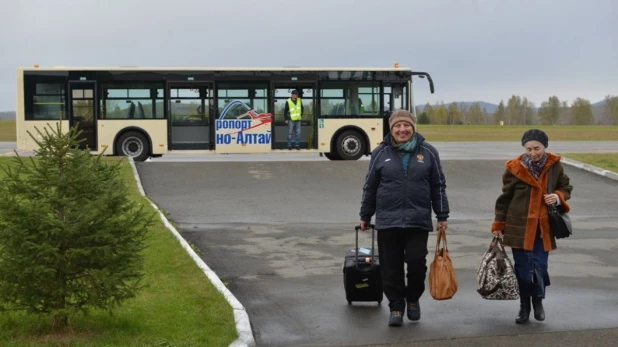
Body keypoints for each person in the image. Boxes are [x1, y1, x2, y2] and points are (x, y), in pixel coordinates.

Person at [359, 109, 450, 327]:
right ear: (391, 129)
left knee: (417, 263)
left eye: (406, 125)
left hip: (417, 220)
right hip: (387, 219)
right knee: (391, 266)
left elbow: (438, 185)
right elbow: (370, 186)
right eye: (397, 126)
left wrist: (442, 214)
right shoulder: (380, 153)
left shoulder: (428, 152)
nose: (402, 129)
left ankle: (413, 299)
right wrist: (365, 214)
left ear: (413, 127)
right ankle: (397, 306)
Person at [490, 129, 573, 324]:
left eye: (537, 148)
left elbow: (566, 187)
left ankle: (538, 300)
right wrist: (499, 223)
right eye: (529, 149)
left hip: (543, 227)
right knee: (522, 268)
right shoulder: (514, 168)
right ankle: (524, 305)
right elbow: (504, 199)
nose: (533, 153)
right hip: (518, 226)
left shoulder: (554, 166)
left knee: (540, 266)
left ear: (545, 146)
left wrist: (558, 197)